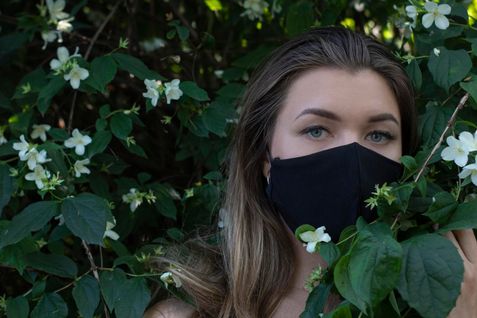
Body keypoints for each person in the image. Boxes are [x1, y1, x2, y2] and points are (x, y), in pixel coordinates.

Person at [145, 26, 477, 318]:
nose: (352, 156)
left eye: (378, 135)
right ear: (264, 156)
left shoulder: (447, 302)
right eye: (317, 130)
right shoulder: (186, 314)